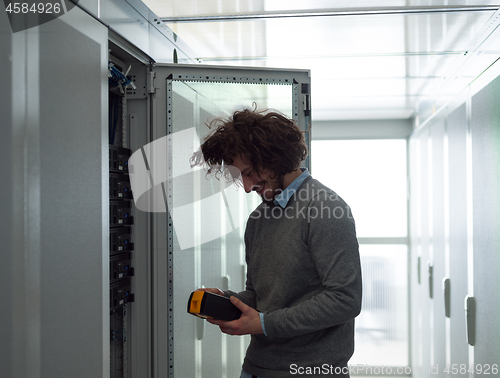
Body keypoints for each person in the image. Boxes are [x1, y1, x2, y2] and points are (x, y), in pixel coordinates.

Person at [190, 106, 362, 378]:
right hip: (257, 368)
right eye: (239, 177)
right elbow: (261, 296)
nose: (246, 187)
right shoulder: (258, 219)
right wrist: (230, 300)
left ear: (274, 157)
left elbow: (345, 300)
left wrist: (264, 323)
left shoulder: (326, 208)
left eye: (248, 173)